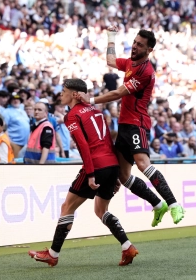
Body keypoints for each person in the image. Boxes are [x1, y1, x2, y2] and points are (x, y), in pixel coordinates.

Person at [76, 27, 184, 227]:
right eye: (134, 42)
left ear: (149, 50)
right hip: (125, 125)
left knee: (143, 164)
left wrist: (90, 99)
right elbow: (110, 61)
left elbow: (117, 94)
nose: (134, 47)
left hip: (138, 124)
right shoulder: (130, 63)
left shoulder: (145, 71)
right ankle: (157, 204)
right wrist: (110, 37)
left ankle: (173, 203)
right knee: (123, 176)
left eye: (140, 45)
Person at [28, 79, 138, 267]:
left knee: (67, 207)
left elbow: (83, 146)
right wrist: (116, 172)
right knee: (101, 210)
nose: (60, 94)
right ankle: (127, 246)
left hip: (96, 165)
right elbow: (108, 142)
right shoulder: (98, 112)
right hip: (111, 164)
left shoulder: (73, 115)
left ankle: (53, 254)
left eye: (63, 91)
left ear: (73, 94)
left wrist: (90, 173)